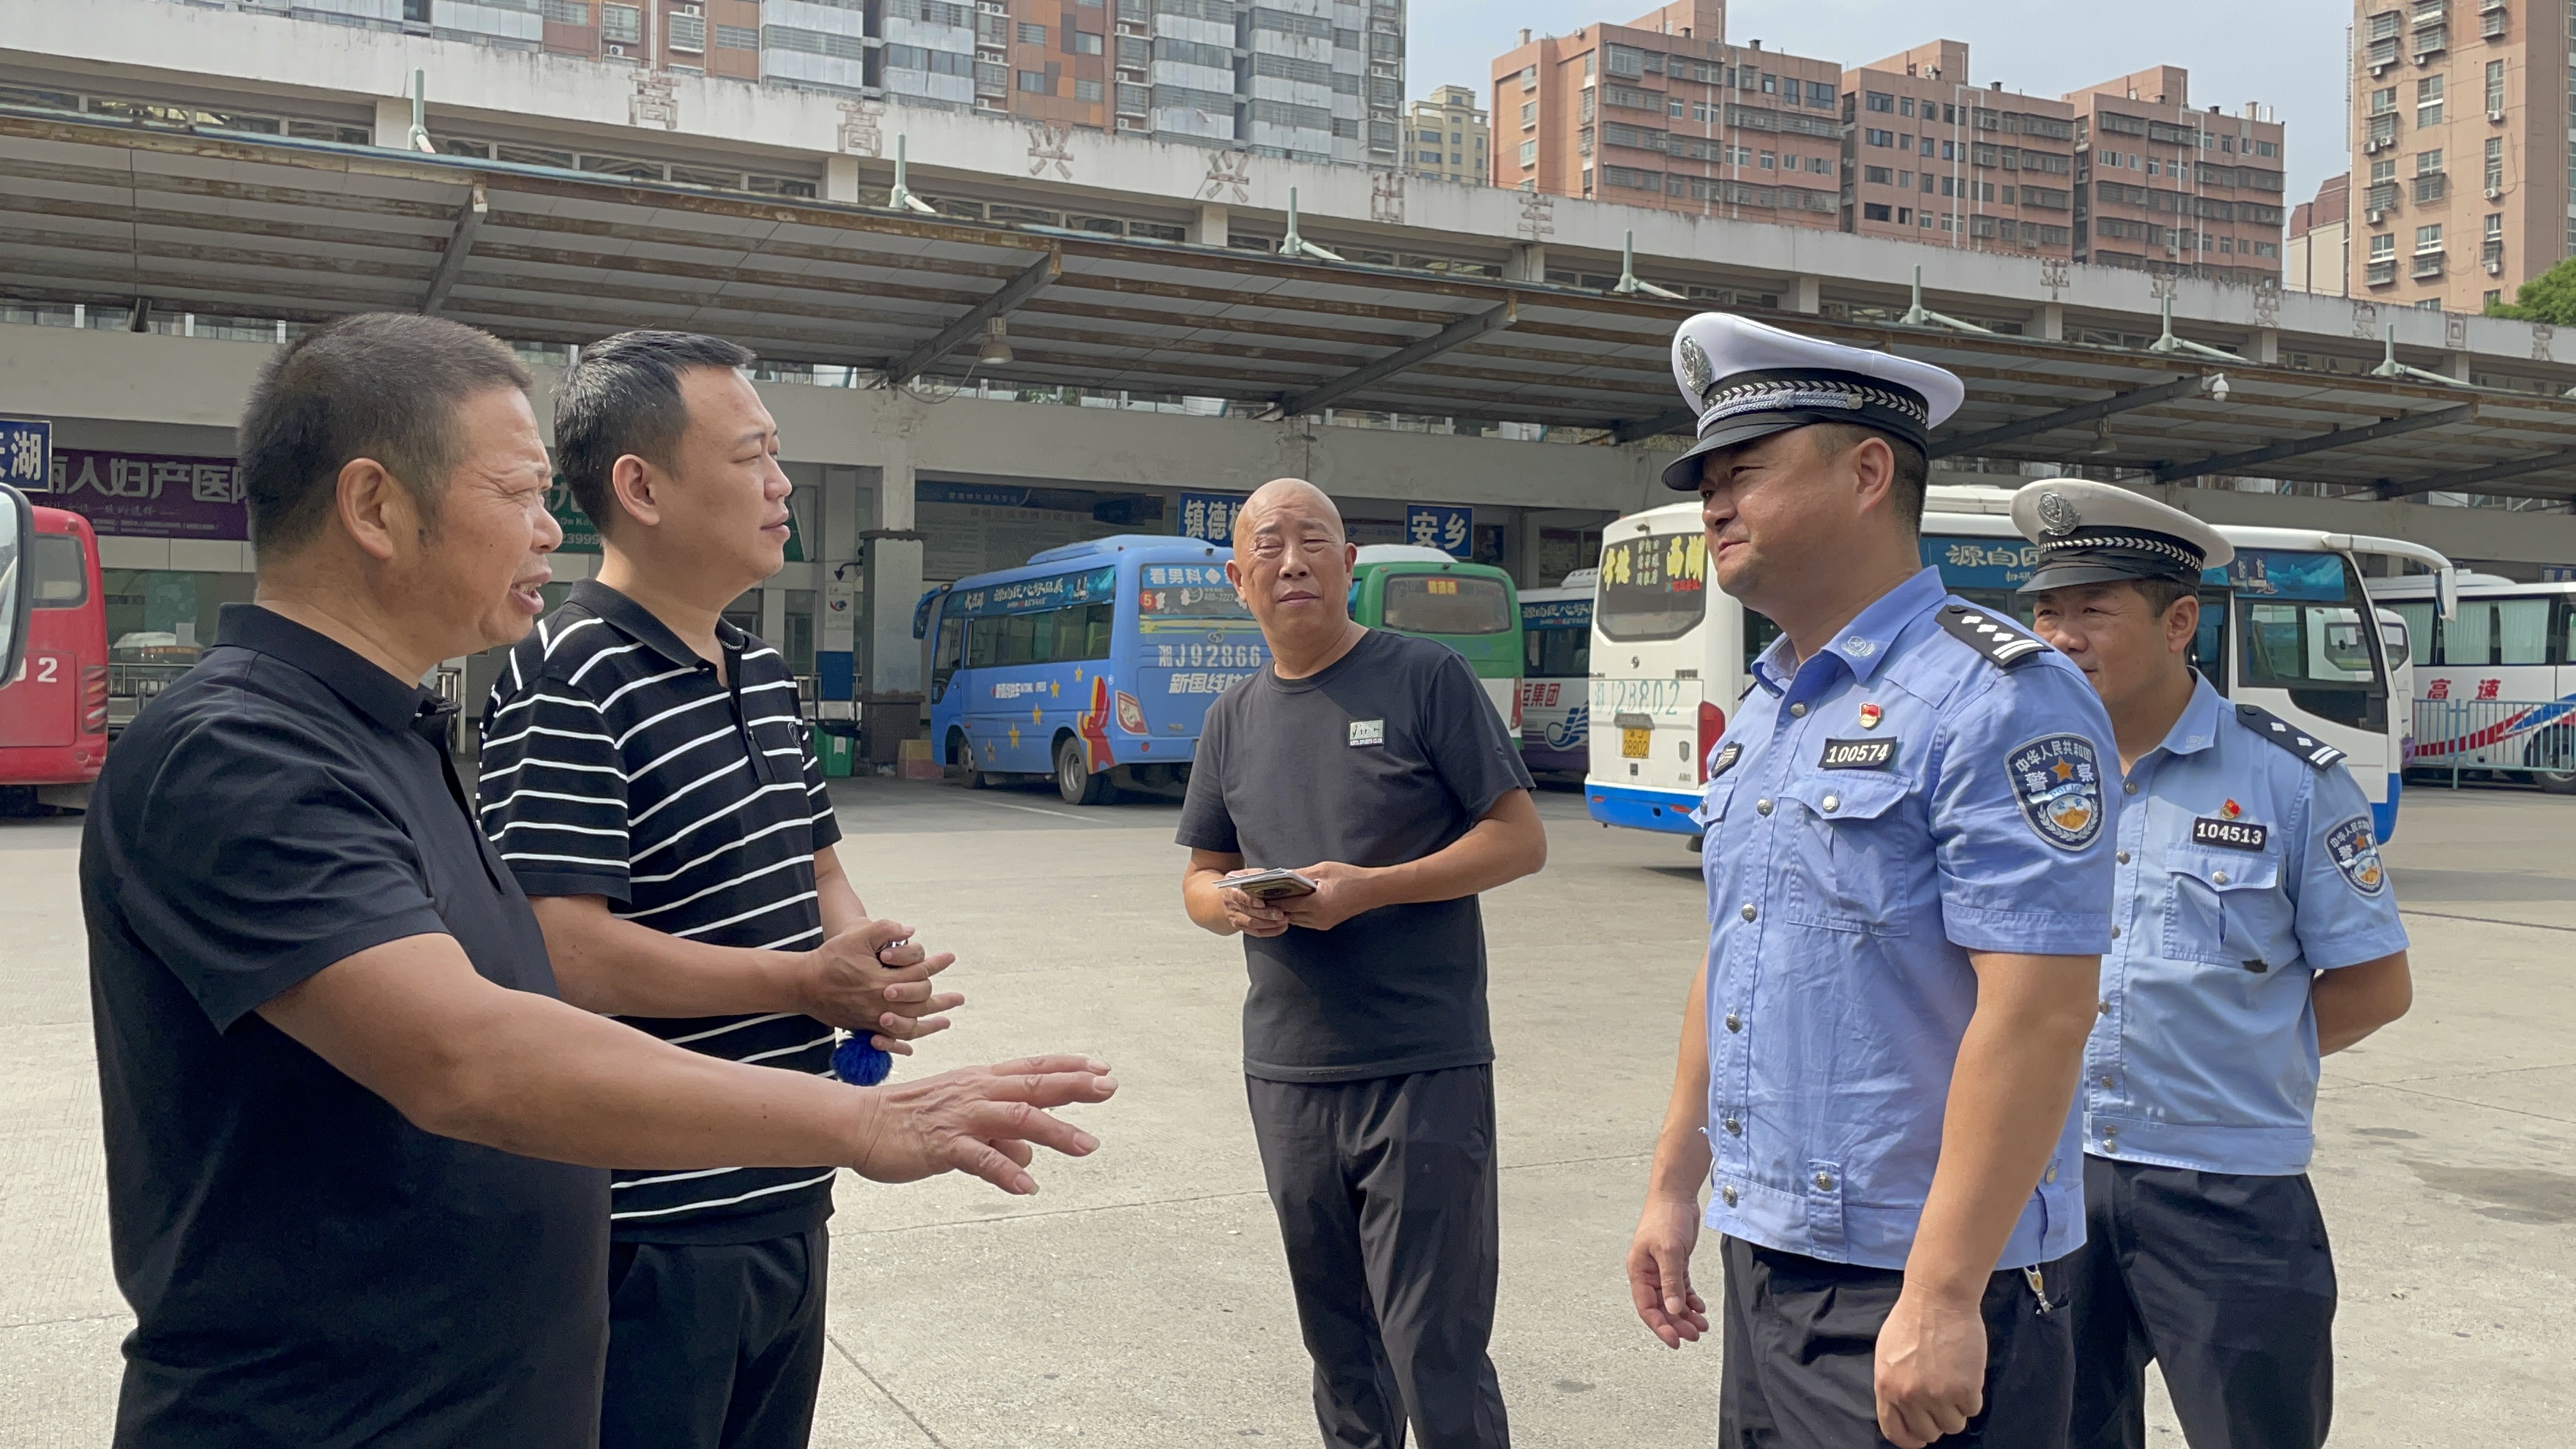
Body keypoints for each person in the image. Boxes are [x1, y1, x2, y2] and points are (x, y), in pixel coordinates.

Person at [81, 312, 1115, 1448]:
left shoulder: (387, 736)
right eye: (521, 493)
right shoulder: (236, 752)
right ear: (374, 506)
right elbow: (467, 1053)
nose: (549, 528)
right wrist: (861, 1120)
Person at [1621, 314, 2116, 1449]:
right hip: (1770, 1248)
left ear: (1868, 473)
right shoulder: (1769, 708)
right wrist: (1676, 1184)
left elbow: (2040, 1012)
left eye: (1745, 471)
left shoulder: (1998, 696)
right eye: (1707, 484)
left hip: (1919, 1275)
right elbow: (1733, 955)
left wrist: (1942, 1296)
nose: (1715, 506)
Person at [476, 329, 955, 1449]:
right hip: (646, 1226)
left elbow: (819, 864)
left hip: (787, 1187)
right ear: (640, 488)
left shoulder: (765, 671)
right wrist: (806, 985)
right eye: (751, 457)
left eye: (776, 454)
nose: (780, 484)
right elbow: (563, 953)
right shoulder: (569, 674)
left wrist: (866, 966)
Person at [2007, 479, 2412, 1449]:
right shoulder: (2017, 773)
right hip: (2050, 1173)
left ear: (2179, 621)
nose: (2061, 638)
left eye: (2093, 611)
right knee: (2057, 1429)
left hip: (2227, 1190)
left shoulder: (2290, 781)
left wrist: (2241, 1052)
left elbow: (2375, 985)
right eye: (2048, 612)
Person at [1177, 477, 1546, 1449]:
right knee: (1340, 1351)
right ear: (1238, 580)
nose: (1291, 562)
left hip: (1421, 1063)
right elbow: (1199, 878)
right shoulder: (1232, 718)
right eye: (1267, 546)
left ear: (1348, 566)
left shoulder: (1424, 677)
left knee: (1436, 1349)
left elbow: (1519, 840)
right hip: (1289, 1072)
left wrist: (1371, 888)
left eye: (1313, 542)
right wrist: (1230, 903)